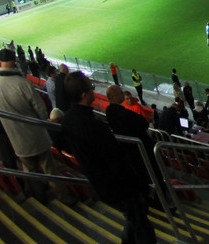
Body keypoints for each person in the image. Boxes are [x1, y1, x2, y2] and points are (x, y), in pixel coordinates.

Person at [59, 72, 156, 243]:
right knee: (142, 226)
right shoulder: (94, 126)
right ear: (84, 95)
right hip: (119, 187)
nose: (93, 91)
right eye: (91, 88)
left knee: (133, 221)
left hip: (100, 185)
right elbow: (117, 162)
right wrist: (142, 186)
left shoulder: (68, 120)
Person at [0, 48, 54, 195]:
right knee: (50, 171)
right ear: (14, 61)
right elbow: (41, 109)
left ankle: (41, 198)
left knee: (31, 172)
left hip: (16, 139)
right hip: (37, 136)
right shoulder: (22, 83)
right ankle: (63, 198)